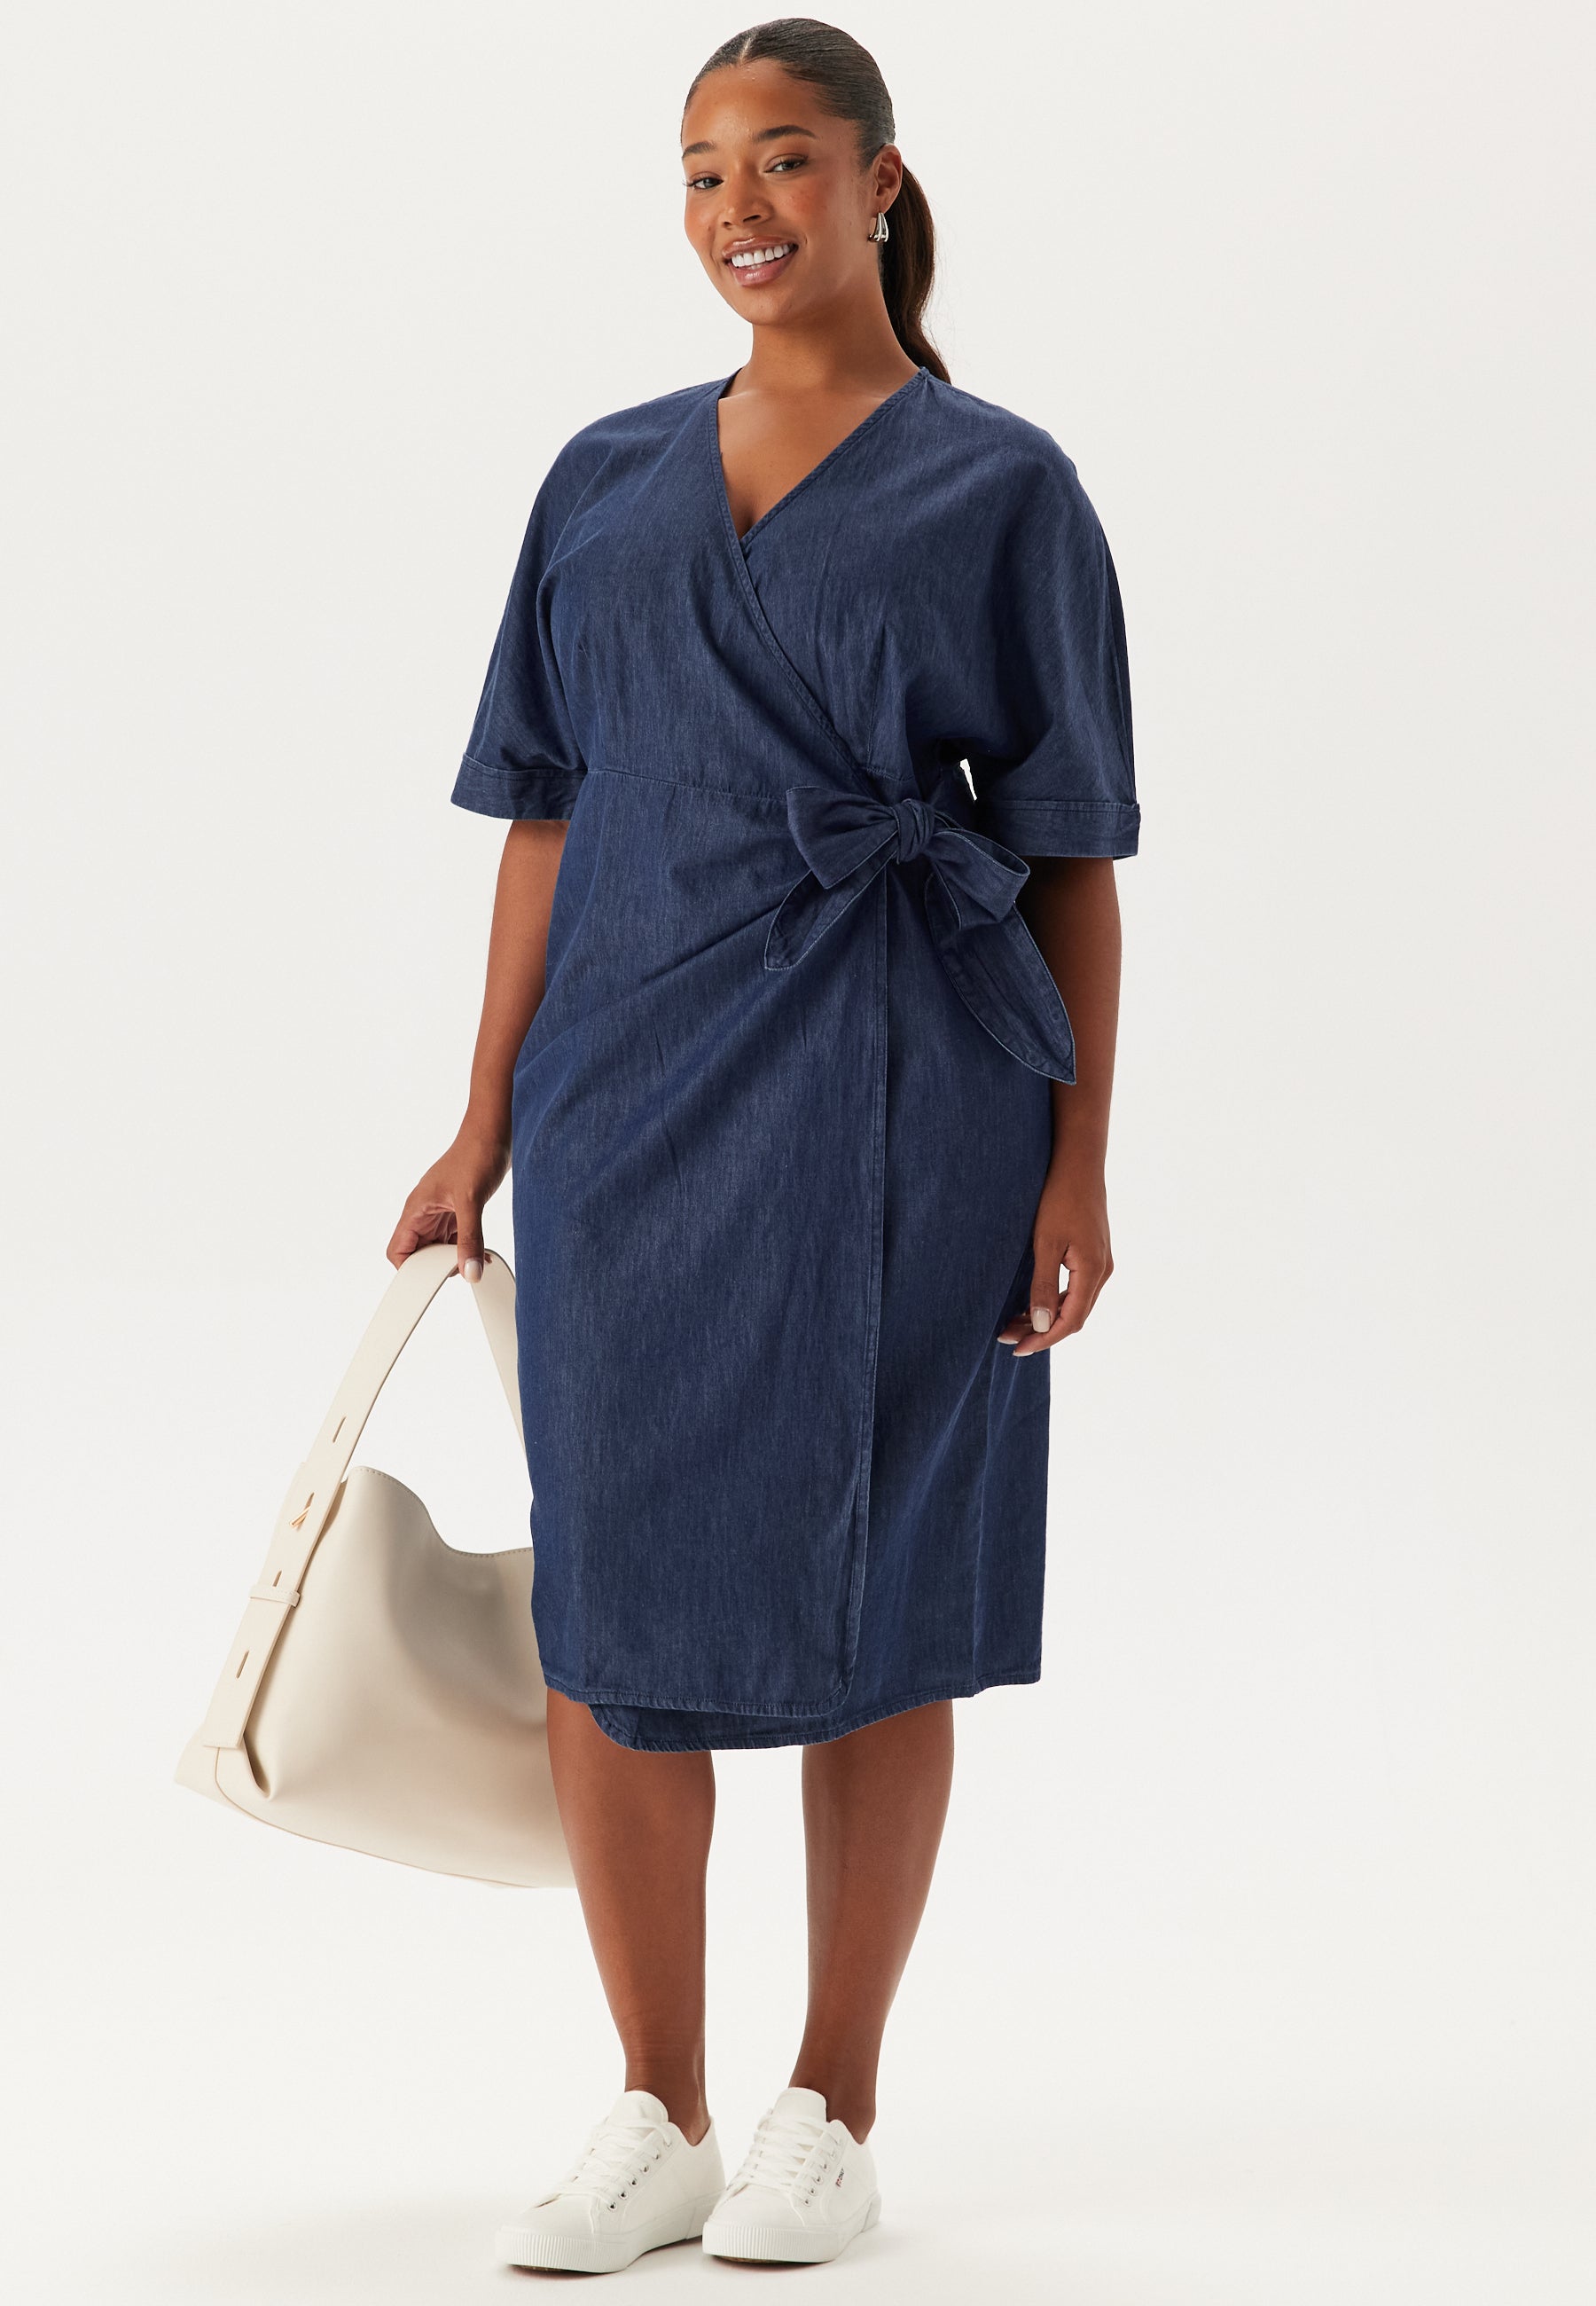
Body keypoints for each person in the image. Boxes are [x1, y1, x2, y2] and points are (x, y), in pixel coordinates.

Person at [388, 15, 1138, 2277]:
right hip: (625, 1103)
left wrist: (1079, 1161)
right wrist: (483, 1112)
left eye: (788, 159)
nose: (743, 207)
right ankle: (657, 2101)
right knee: (610, 1600)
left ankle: (835, 2103)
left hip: (908, 1096)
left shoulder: (1003, 486)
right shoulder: (603, 476)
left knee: (877, 1592)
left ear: (881, 182)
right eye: (705, 169)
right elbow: (543, 809)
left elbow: (1076, 850)